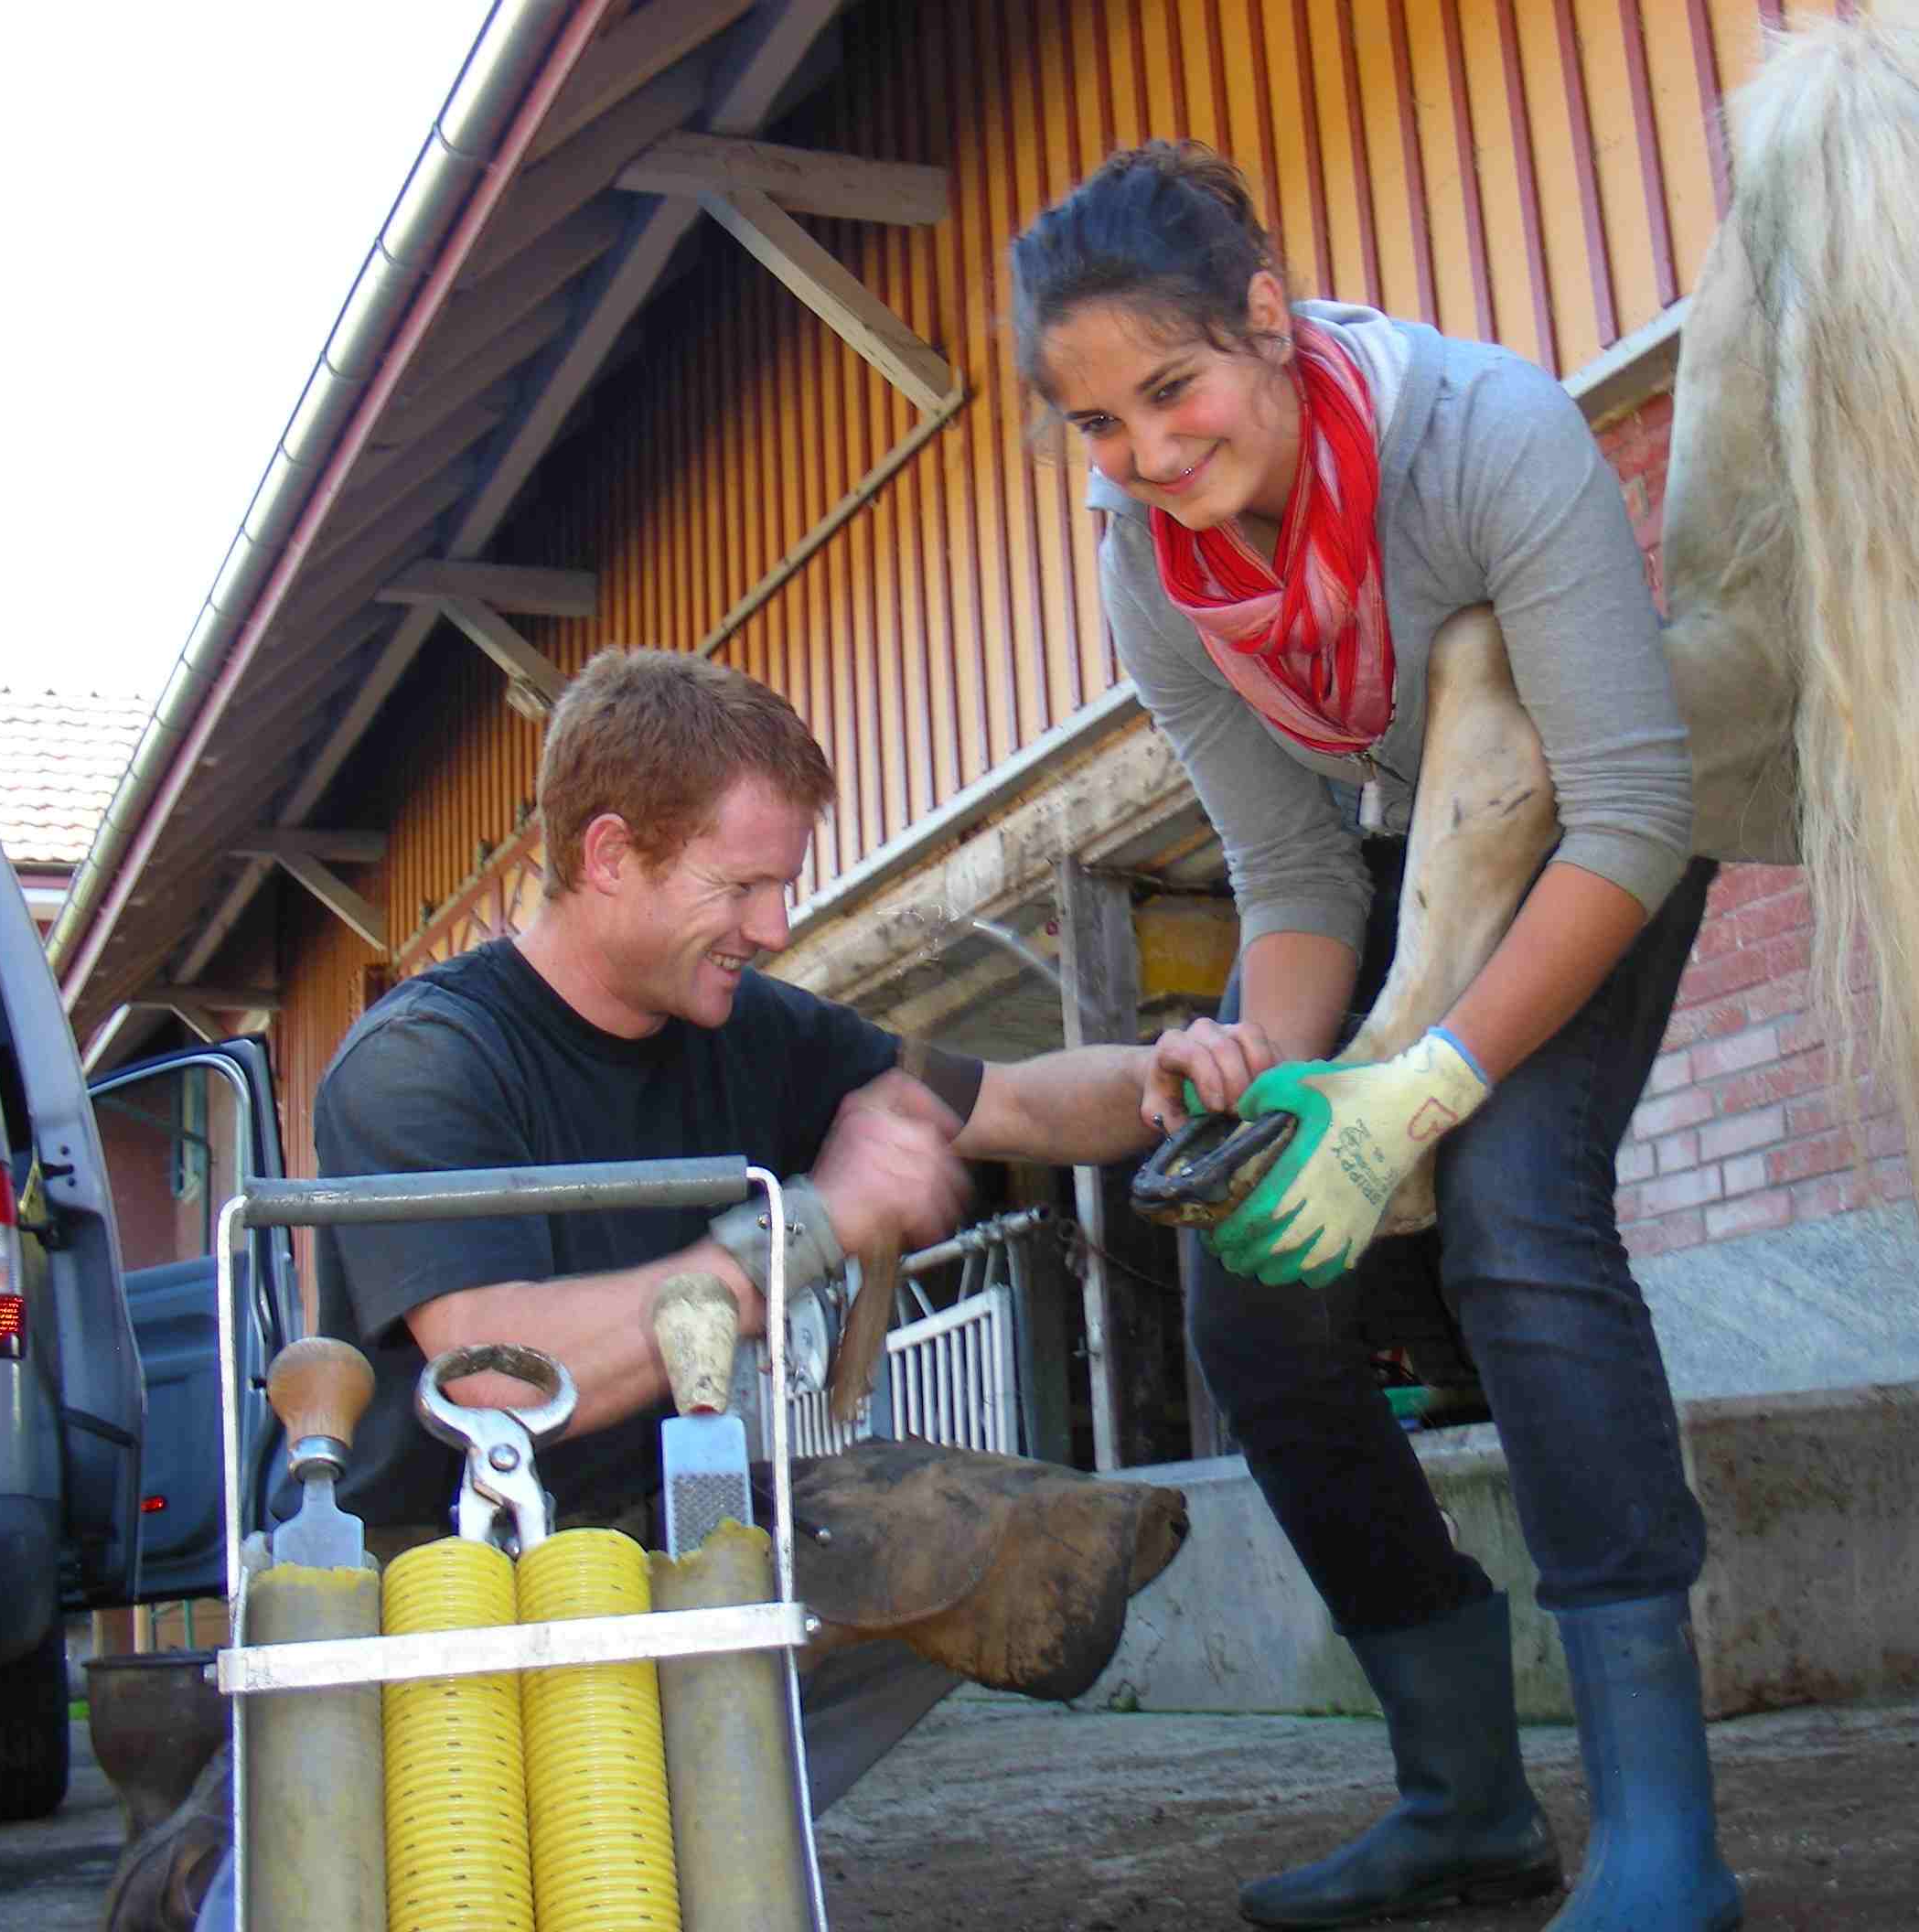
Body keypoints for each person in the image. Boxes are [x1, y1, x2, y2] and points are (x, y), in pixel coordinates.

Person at [1011, 145, 1739, 1932]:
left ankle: (1664, 1835)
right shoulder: (1144, 554)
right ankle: (1463, 1801)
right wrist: (1277, 1073)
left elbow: (1635, 816)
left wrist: (1421, 1085)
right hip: (1415, 849)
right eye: (1098, 424)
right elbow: (1289, 864)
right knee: (1249, 1276)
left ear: (1264, 317)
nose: (1151, 456)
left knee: (1511, 1217)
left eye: (1171, 389)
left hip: (1594, 831)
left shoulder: (1487, 434)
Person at [303, 644, 1181, 1804]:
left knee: (1047, 1537)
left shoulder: (752, 1030)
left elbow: (1019, 1102)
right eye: (741, 887)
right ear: (609, 854)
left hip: (667, 1518)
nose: (774, 926)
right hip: (442, 1563)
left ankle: (710, 1825)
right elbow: (494, 1376)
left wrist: (1181, 1073)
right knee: (264, 1884)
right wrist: (811, 1228)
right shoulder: (424, 1062)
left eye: (783, 885)